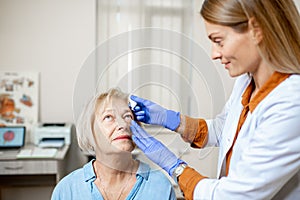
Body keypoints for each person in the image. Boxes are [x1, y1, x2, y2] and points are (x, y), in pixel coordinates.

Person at [129, 0, 300, 199]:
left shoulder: (291, 102)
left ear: (256, 30)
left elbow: (234, 196)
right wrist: (171, 119)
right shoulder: (247, 81)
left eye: (219, 41)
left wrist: (175, 168)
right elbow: (224, 129)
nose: (214, 54)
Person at [51, 88, 176, 200]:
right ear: (90, 131)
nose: (122, 125)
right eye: (108, 117)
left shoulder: (161, 187)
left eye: (127, 116)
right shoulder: (67, 191)